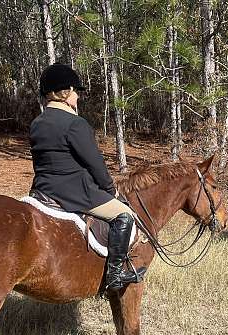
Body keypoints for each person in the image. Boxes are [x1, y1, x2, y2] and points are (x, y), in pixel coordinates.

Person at [29, 62, 146, 291]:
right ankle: (114, 276)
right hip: (75, 192)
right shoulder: (75, 123)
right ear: (65, 93)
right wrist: (109, 189)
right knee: (124, 215)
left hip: (42, 189)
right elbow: (95, 163)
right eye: (76, 92)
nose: (78, 97)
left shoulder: (37, 123)